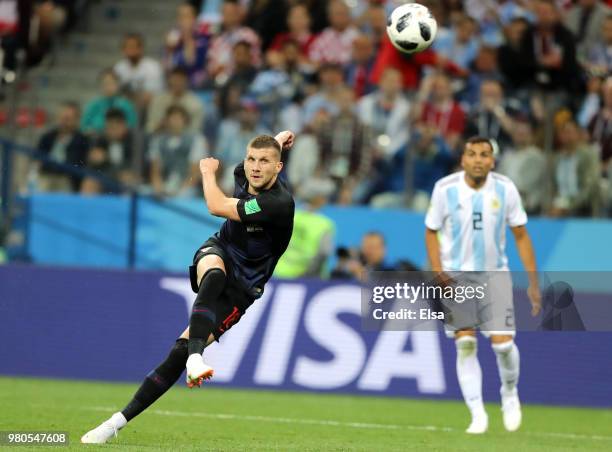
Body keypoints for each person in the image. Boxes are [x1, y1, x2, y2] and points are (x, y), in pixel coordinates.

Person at [81, 131, 296, 444]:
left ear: (278, 168)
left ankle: (116, 422)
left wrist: (207, 173)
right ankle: (197, 359)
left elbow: (215, 205)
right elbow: (261, 157)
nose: (254, 167)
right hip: (219, 251)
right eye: (251, 159)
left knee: (176, 354)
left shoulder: (278, 204)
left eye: (264, 162)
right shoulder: (245, 174)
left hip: (245, 288)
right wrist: (275, 140)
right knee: (214, 275)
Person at [424, 136, 541, 434]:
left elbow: (521, 236)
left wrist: (532, 281)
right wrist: (438, 273)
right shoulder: (445, 189)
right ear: (463, 159)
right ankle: (477, 413)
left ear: (492, 160)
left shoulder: (505, 189)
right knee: (465, 343)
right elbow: (431, 232)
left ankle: (509, 393)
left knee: (503, 346)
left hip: (494, 275)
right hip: (456, 276)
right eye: (472, 154)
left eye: (484, 155)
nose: (478, 159)